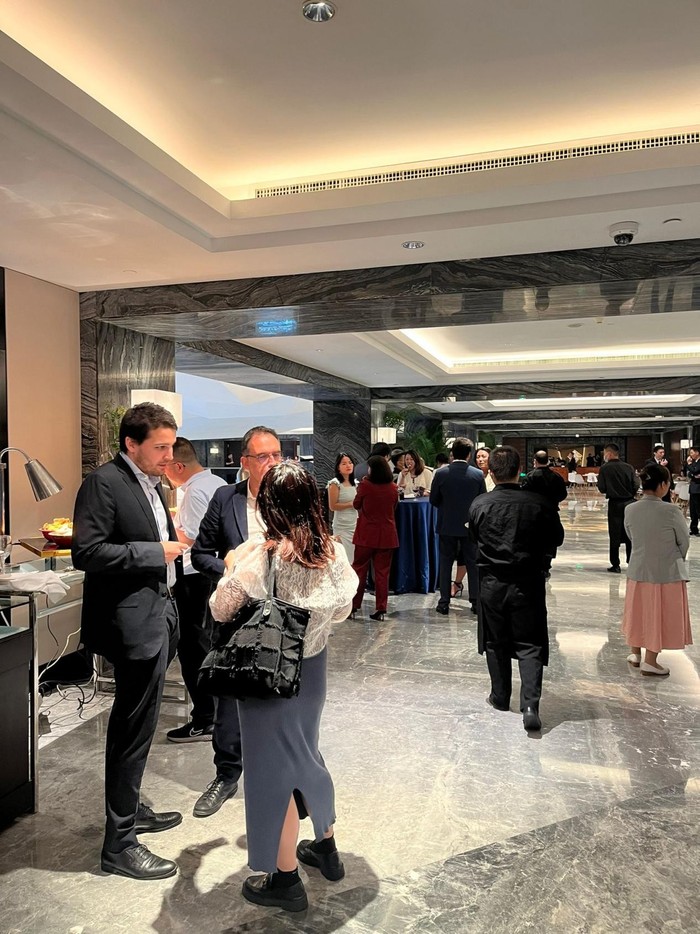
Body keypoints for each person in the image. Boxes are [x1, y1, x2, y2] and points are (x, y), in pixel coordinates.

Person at [209, 463, 358, 913]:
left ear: (269, 508)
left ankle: (285, 878)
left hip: (270, 673)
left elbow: (220, 609)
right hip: (313, 670)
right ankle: (326, 848)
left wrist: (230, 566)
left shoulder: (262, 555)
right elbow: (341, 611)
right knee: (306, 755)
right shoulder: (333, 552)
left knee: (271, 772)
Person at [72, 403, 188, 881]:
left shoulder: (151, 483)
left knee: (139, 726)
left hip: (158, 615)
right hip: (132, 625)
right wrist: (154, 551)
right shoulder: (103, 483)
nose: (169, 456)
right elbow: (87, 551)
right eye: (160, 447)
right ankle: (119, 845)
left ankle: (131, 809)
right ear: (131, 444)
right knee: (131, 728)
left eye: (171, 446)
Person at [190, 426, 282, 818]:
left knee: (280, 694)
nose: (272, 463)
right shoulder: (225, 498)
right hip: (235, 611)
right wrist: (228, 568)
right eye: (263, 456)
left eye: (277, 454)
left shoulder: (292, 496)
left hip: (283, 611)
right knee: (228, 699)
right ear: (244, 462)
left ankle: (280, 777)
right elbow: (200, 554)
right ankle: (226, 774)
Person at [469, 446, 564, 732]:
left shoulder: (480, 504)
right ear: (519, 470)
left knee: (495, 640)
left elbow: (474, 536)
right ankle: (530, 705)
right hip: (528, 581)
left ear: (491, 472)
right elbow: (556, 538)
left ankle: (500, 697)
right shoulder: (539, 504)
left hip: (491, 582)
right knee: (530, 642)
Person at [162, 437, 227, 742]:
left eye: (166, 465)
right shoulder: (216, 483)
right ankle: (214, 715)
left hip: (194, 576)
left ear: (178, 466)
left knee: (192, 648)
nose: (163, 472)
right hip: (211, 574)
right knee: (205, 645)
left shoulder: (194, 491)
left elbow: (189, 538)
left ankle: (205, 718)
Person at [622, 464, 692, 676]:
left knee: (637, 610)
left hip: (637, 568)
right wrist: (675, 557)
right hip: (665, 571)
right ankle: (651, 661)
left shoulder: (630, 509)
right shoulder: (671, 511)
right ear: (662, 485)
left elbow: (631, 536)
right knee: (657, 613)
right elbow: (684, 541)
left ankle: (635, 653)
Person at [430, 437, 485, 616]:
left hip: (446, 524)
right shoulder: (477, 475)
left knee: (445, 563)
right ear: (469, 455)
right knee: (472, 563)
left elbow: (433, 500)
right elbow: (482, 501)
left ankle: (444, 602)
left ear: (452, 453)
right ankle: (475, 602)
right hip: (470, 526)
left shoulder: (441, 473)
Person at [351, 454, 399, 621]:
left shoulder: (365, 485)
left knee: (359, 570)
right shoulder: (393, 487)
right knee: (382, 573)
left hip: (366, 534)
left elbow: (356, 504)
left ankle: (354, 606)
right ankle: (381, 608)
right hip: (387, 535)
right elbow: (394, 507)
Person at [521, 450, 568, 578]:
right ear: (548, 461)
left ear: (535, 461)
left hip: (533, 514)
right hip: (551, 513)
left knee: (534, 540)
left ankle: (535, 565)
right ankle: (546, 566)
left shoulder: (529, 477)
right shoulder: (556, 476)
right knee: (550, 541)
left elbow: (524, 495)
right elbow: (563, 494)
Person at [596, 443, 638, 572]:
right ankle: (631, 561)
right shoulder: (629, 467)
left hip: (615, 504)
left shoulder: (604, 468)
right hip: (630, 503)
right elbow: (636, 484)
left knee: (614, 533)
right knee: (630, 532)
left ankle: (615, 564)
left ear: (609, 454)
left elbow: (602, 488)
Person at [327, 452, 357, 563]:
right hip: (342, 526)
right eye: (344, 463)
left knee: (355, 557)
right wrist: (350, 504)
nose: (348, 465)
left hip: (354, 523)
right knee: (344, 558)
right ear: (338, 467)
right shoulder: (334, 484)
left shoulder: (355, 483)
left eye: (350, 462)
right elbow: (332, 506)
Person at [687, 446, 700, 535]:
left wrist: (689, 464)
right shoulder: (694, 462)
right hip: (693, 488)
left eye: (692, 453)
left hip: (698, 489)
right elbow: (690, 473)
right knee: (693, 510)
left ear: (697, 452)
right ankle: (694, 528)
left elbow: (695, 471)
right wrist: (693, 473)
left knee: (698, 509)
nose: (690, 455)